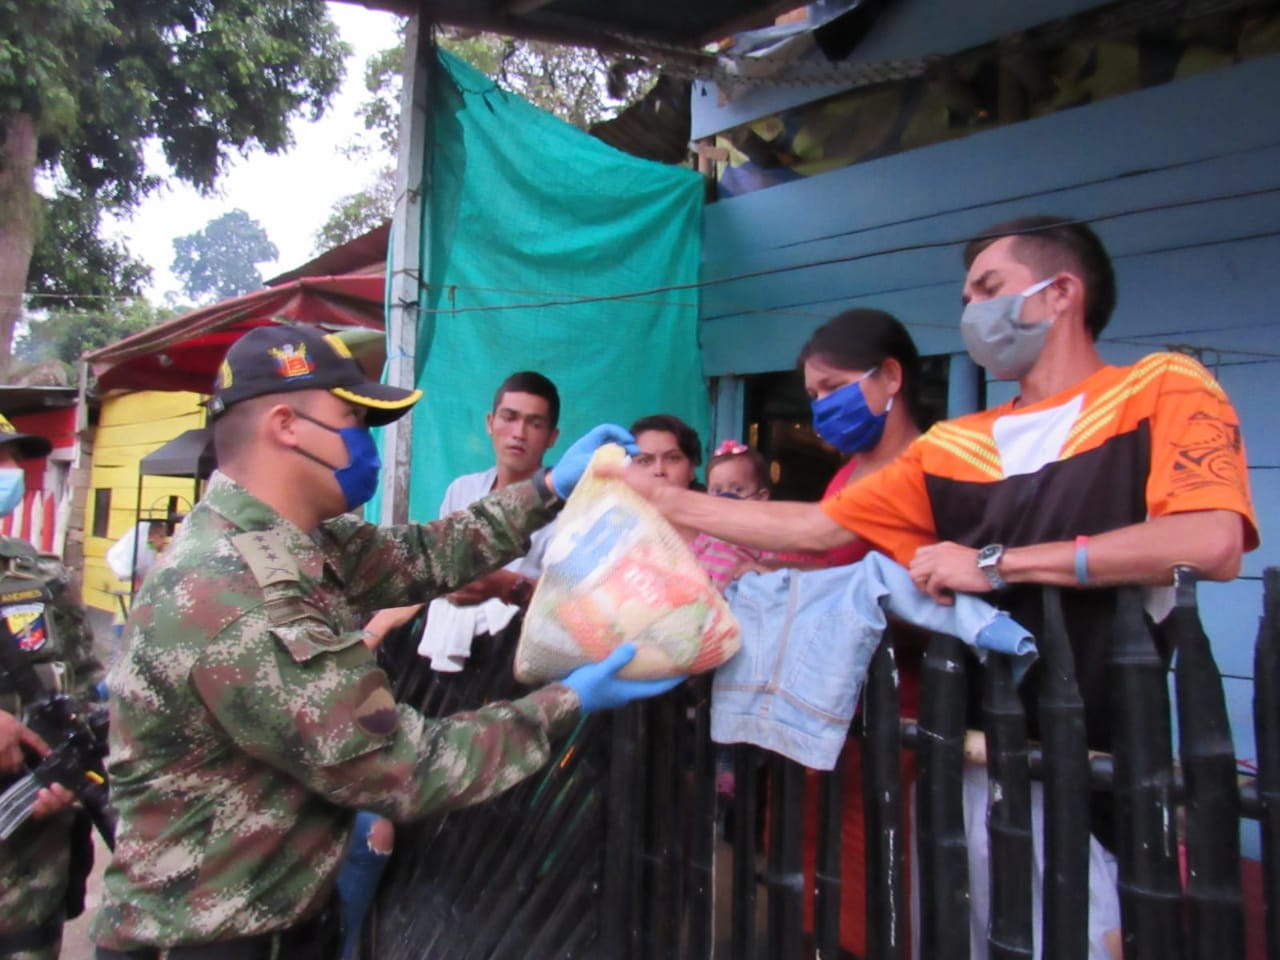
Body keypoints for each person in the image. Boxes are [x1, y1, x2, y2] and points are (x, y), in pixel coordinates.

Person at [608, 216, 1258, 959]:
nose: (971, 311)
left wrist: (996, 564)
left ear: (1062, 293)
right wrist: (660, 498)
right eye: (965, 296)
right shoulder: (956, 443)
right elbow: (821, 529)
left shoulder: (1162, 386)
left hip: (1102, 767)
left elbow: (1208, 541)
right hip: (969, 758)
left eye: (989, 288)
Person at [91, 324, 679, 960]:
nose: (367, 444)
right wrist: (568, 700)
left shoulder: (286, 540)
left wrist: (546, 490)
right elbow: (399, 767)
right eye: (354, 420)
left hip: (266, 923)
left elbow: (424, 553)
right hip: (207, 943)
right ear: (287, 425)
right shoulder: (235, 589)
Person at [335, 371, 563, 958]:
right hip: (441, 670)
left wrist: (505, 586)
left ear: (552, 436)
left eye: (534, 422)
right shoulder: (464, 489)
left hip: (515, 675)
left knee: (498, 803)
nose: (519, 432)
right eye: (509, 417)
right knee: (427, 800)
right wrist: (380, 624)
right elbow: (430, 571)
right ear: (490, 424)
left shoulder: (567, 511)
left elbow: (573, 609)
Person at [0, 414, 102, 960]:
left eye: (15, 459)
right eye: (1, 459)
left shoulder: (37, 572)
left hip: (32, 856)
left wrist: (72, 763)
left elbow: (81, 675)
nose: (13, 471)